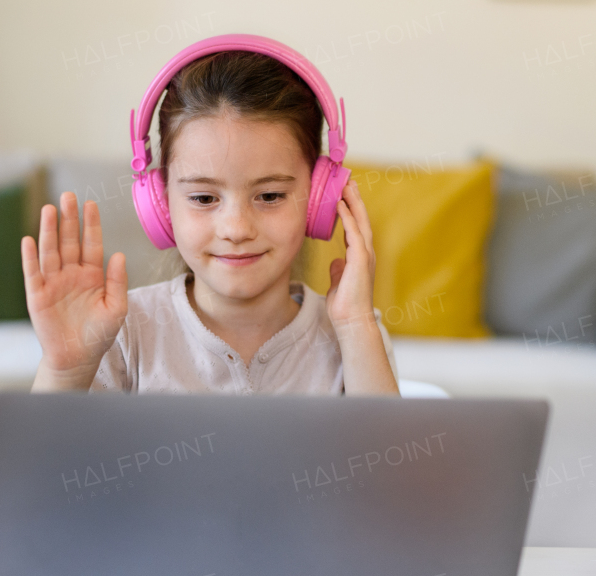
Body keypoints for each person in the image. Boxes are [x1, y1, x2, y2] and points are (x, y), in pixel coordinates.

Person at [22, 48, 399, 396]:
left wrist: (354, 327)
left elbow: (390, 465)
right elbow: (43, 468)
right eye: (204, 198)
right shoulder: (120, 333)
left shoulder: (354, 333)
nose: (236, 229)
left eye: (269, 196)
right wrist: (66, 371)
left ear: (320, 197)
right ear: (161, 203)